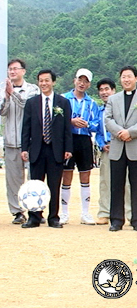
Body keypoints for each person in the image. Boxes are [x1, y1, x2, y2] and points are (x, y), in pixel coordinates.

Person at [21, 69, 72, 228]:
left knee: (54, 184)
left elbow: (67, 128)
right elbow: (26, 128)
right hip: (36, 149)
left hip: (56, 149)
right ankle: (34, 217)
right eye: (41, 81)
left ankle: (53, 218)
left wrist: (68, 148)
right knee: (35, 185)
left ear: (53, 82)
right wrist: (24, 148)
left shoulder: (63, 103)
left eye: (47, 80)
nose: (44, 83)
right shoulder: (31, 103)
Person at [105, 65, 137, 232]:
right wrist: (119, 132)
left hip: (136, 147)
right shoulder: (113, 99)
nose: (126, 79)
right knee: (116, 185)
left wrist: (130, 132)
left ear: (136, 78)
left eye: (129, 76)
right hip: (117, 147)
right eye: (123, 76)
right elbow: (108, 119)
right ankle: (116, 220)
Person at [0, 59, 40, 224]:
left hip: (30, 141)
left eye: (15, 69)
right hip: (10, 140)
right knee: (13, 180)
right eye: (10, 69)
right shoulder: (3, 90)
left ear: (23, 71)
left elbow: (28, 106)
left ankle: (35, 211)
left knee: (33, 178)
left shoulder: (32, 89)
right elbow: (2, 111)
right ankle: (17, 212)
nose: (12, 72)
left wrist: (14, 94)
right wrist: (7, 96)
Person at [59, 68, 99, 225]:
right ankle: (64, 213)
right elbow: (57, 119)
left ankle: (85, 213)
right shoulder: (63, 99)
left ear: (89, 84)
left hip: (84, 140)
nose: (82, 83)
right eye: (80, 80)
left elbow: (97, 124)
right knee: (66, 175)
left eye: (86, 81)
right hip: (68, 139)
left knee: (85, 175)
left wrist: (87, 124)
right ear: (74, 80)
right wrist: (71, 122)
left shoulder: (92, 103)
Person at [95, 78, 131, 225]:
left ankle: (129, 212)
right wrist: (102, 144)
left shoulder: (121, 107)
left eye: (107, 89)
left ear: (114, 90)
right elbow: (97, 131)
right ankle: (105, 212)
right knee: (105, 181)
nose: (104, 92)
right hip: (106, 149)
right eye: (101, 90)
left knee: (127, 182)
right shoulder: (99, 110)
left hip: (123, 147)